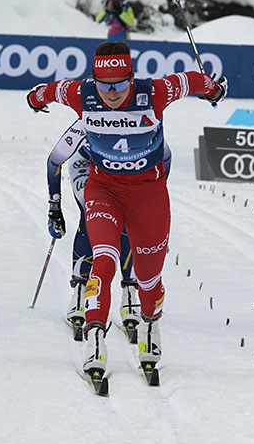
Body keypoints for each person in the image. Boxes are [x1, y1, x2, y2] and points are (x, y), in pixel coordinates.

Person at [27, 41, 227, 381]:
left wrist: (214, 90)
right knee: (104, 259)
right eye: (104, 85)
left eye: (120, 84)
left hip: (148, 196)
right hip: (102, 189)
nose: (112, 93)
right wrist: (35, 99)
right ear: (94, 81)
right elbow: (49, 91)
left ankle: (150, 325)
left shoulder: (156, 92)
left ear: (132, 78)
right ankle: (94, 338)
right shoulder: (81, 94)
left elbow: (194, 80)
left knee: (149, 282)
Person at [46, 119, 172, 342]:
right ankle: (81, 286)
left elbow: (165, 157)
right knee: (93, 215)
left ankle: (130, 288)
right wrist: (54, 207)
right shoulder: (88, 121)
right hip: (86, 167)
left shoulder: (140, 120)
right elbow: (54, 159)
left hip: (127, 175)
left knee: (130, 222)